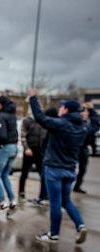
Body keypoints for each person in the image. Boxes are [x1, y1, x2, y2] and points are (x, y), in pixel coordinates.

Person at [29, 91, 99, 243]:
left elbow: (40, 118)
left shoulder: (60, 124)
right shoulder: (82, 128)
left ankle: (54, 234)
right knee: (66, 200)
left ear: (66, 110)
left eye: (62, 108)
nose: (60, 110)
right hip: (69, 169)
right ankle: (80, 225)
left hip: (54, 169)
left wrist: (33, 99)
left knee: (55, 202)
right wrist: (92, 110)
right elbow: (95, 125)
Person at [0, 92, 19, 216]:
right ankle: (12, 200)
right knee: (5, 175)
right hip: (14, 147)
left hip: (5, 148)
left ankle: (2, 202)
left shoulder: (1, 116)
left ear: (0, 105)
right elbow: (10, 102)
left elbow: (2, 136)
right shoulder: (12, 114)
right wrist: (1, 95)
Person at [18, 109, 47, 201]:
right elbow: (23, 136)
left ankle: (43, 194)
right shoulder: (27, 121)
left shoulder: (43, 121)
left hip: (40, 151)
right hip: (29, 150)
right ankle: (21, 191)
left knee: (42, 174)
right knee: (24, 173)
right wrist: (26, 148)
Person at [73, 105, 96, 193]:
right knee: (71, 166)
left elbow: (92, 138)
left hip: (84, 149)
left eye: (86, 114)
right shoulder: (77, 125)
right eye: (82, 114)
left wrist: (93, 151)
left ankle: (77, 186)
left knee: (82, 169)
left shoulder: (89, 127)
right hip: (76, 148)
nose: (84, 115)